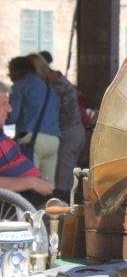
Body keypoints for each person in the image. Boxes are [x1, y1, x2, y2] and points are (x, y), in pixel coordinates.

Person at [28, 54, 86, 199]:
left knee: (61, 182)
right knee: (66, 179)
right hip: (75, 131)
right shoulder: (59, 81)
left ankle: (61, 210)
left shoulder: (53, 87)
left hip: (67, 134)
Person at [7, 56, 61, 183]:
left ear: (16, 71)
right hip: (54, 140)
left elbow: (12, 116)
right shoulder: (49, 89)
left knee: (28, 184)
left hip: (32, 141)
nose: (9, 75)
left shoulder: (19, 86)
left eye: (10, 71)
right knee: (48, 187)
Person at [0, 82, 53, 196]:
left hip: (30, 197)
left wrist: (38, 178)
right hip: (18, 202)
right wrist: (31, 182)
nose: (10, 109)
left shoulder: (2, 135)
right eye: (4, 104)